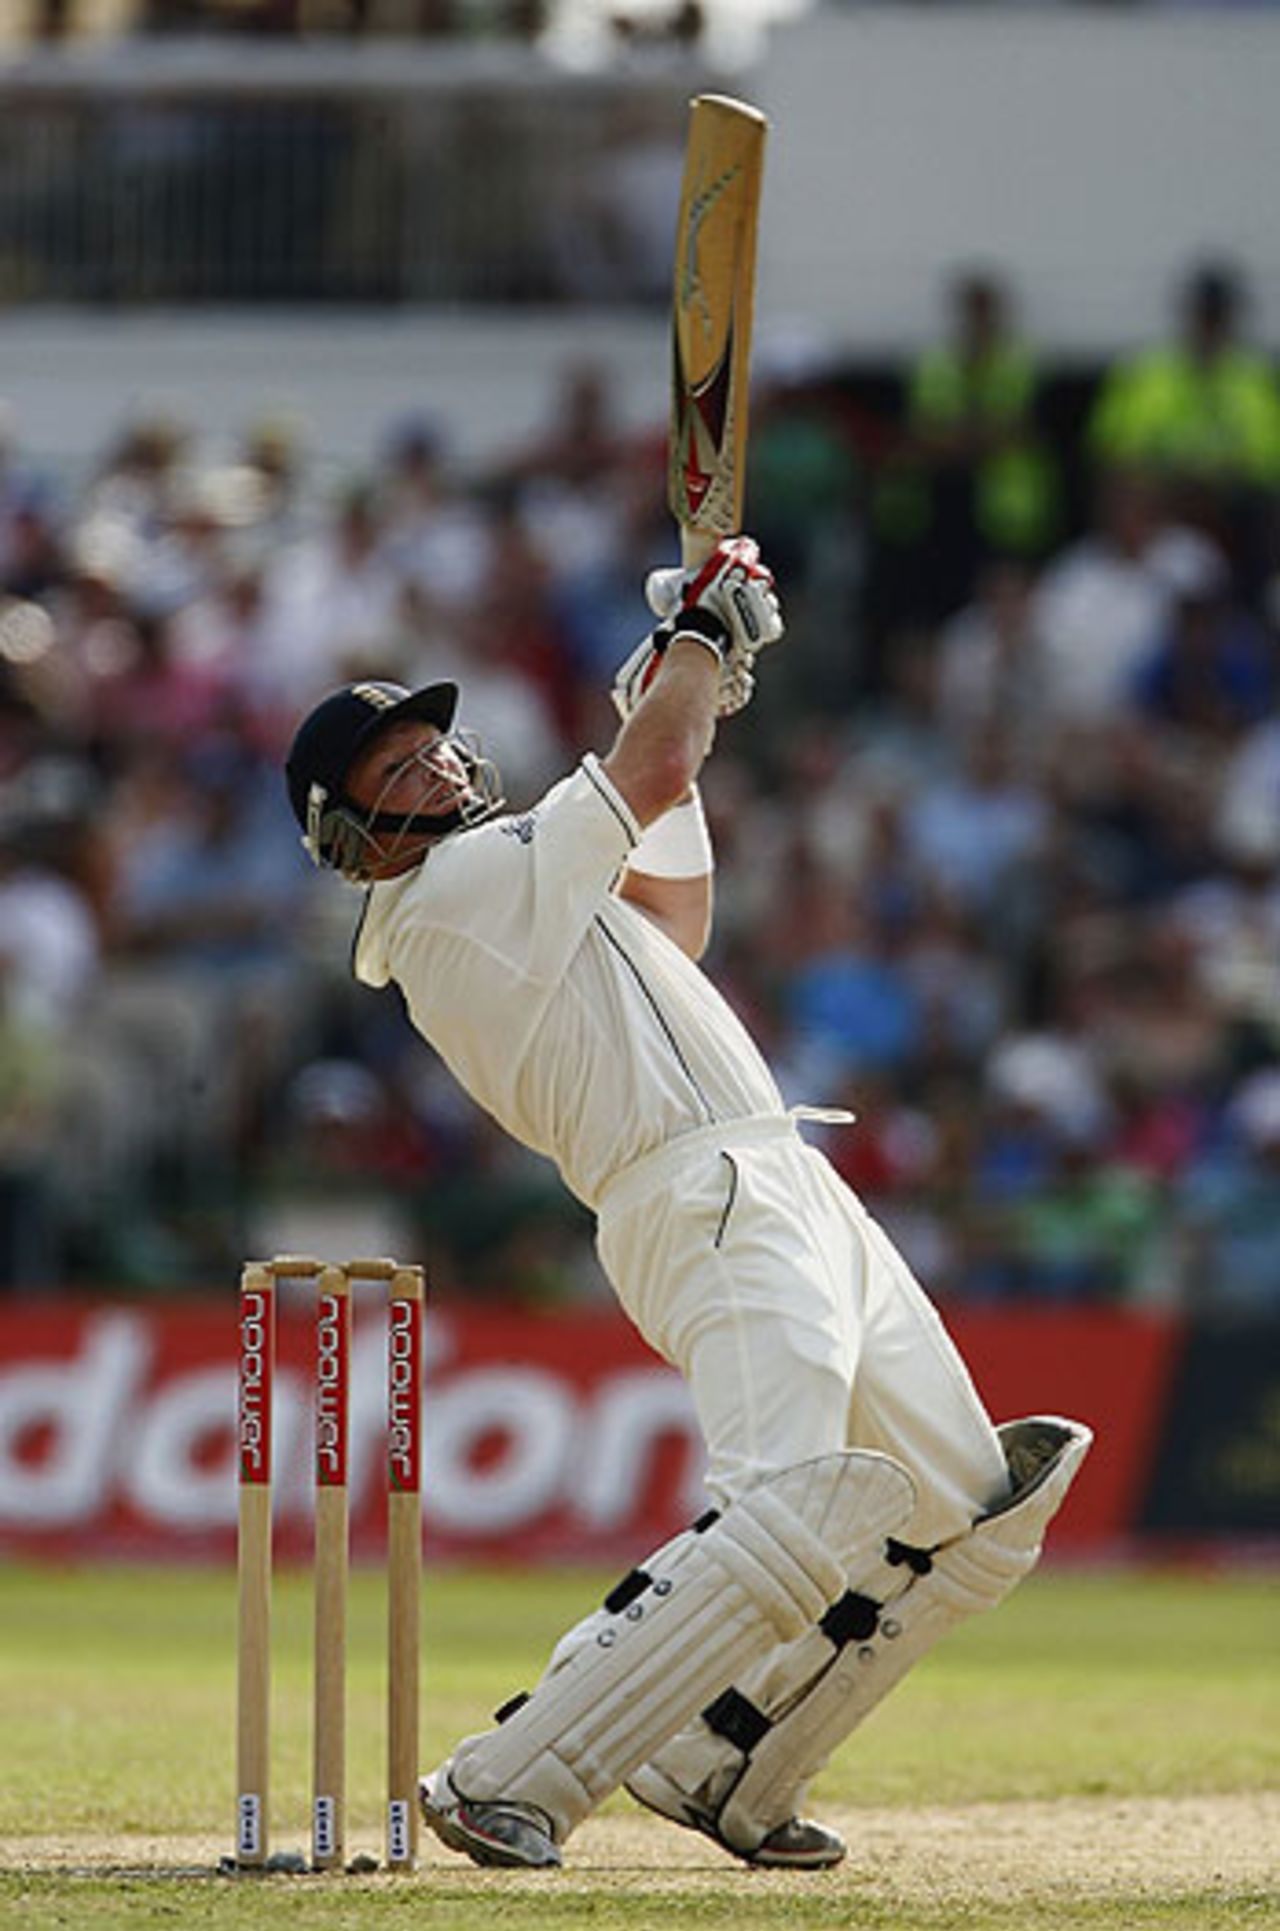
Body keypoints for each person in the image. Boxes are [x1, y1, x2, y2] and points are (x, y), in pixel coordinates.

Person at [284, 537, 1091, 1873]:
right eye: (396, 769)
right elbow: (650, 771)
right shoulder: (448, 900)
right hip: (699, 1192)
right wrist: (697, 652)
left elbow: (675, 908)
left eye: (432, 746)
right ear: (350, 831)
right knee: (790, 1501)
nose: (436, 767)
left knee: (970, 1512)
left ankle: (732, 1762)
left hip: (784, 1175)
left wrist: (677, 677)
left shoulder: (525, 879)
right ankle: (509, 1776)